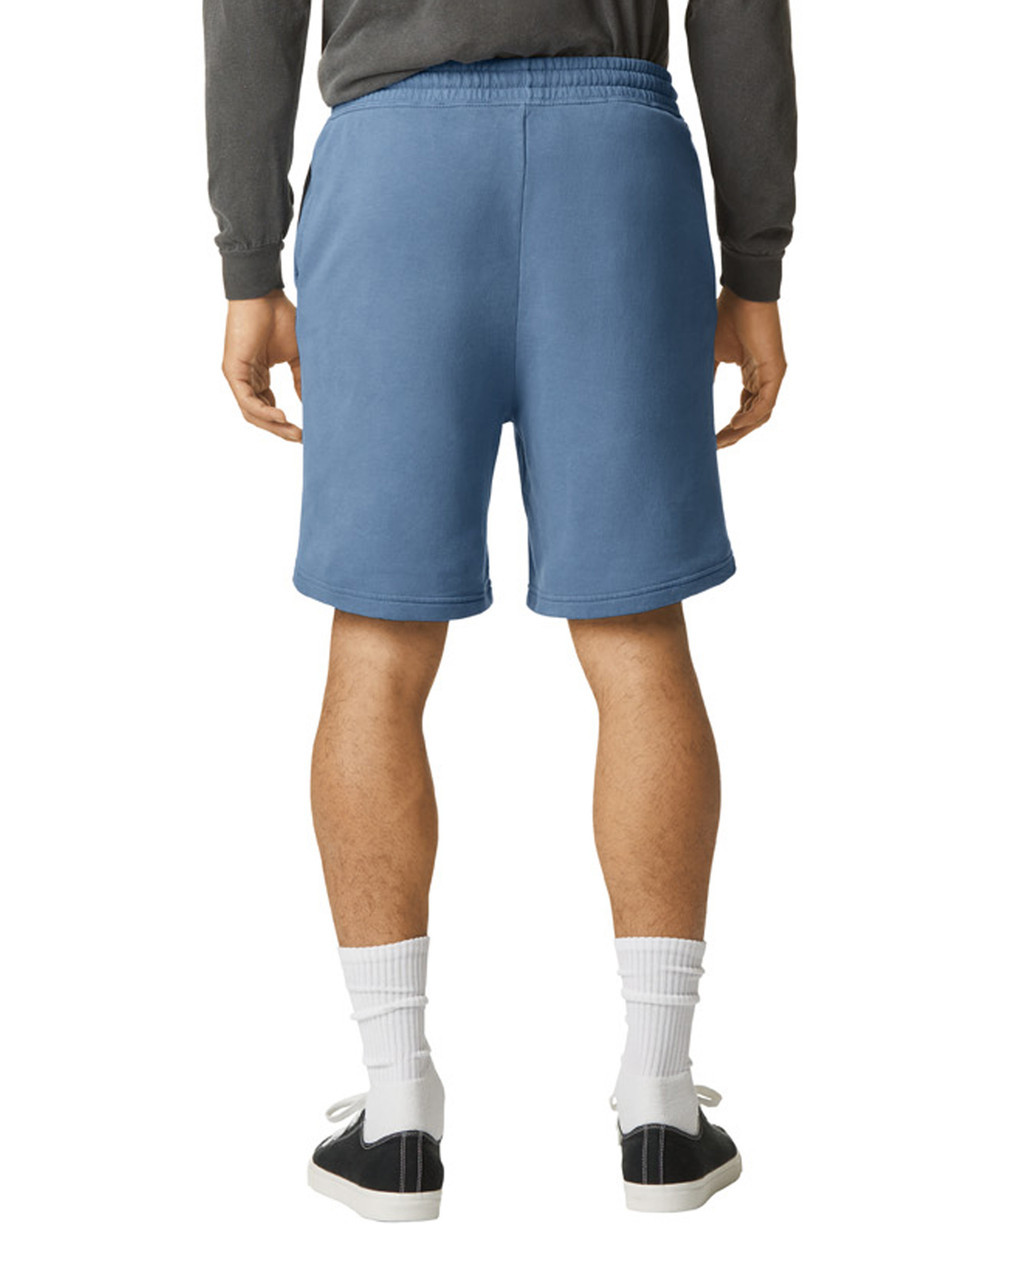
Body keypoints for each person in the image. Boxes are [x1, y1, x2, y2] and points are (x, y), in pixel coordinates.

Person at [204, 0, 796, 1221]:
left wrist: (249, 262)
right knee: (636, 632)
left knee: (378, 641)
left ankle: (395, 1113)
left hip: (396, 172)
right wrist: (755, 263)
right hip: (614, 167)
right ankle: (661, 1102)